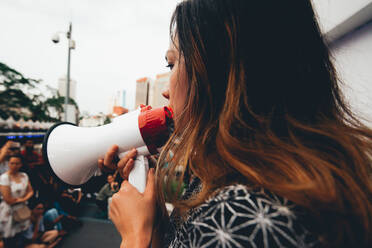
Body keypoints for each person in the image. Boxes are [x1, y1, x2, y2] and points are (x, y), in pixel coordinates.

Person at [100, 0, 372, 247]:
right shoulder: (276, 185)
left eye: (172, 65)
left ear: (217, 77)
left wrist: (136, 236)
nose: (166, 91)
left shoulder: (235, 220)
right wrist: (156, 223)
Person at [0, 154, 34, 247]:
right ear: (8, 164)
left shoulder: (24, 175)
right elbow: (8, 200)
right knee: (9, 240)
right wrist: (23, 199)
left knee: (21, 237)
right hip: (9, 211)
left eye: (17, 163)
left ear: (21, 164)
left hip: (21, 209)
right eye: (12, 163)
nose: (14, 165)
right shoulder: (4, 178)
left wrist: (22, 199)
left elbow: (31, 191)